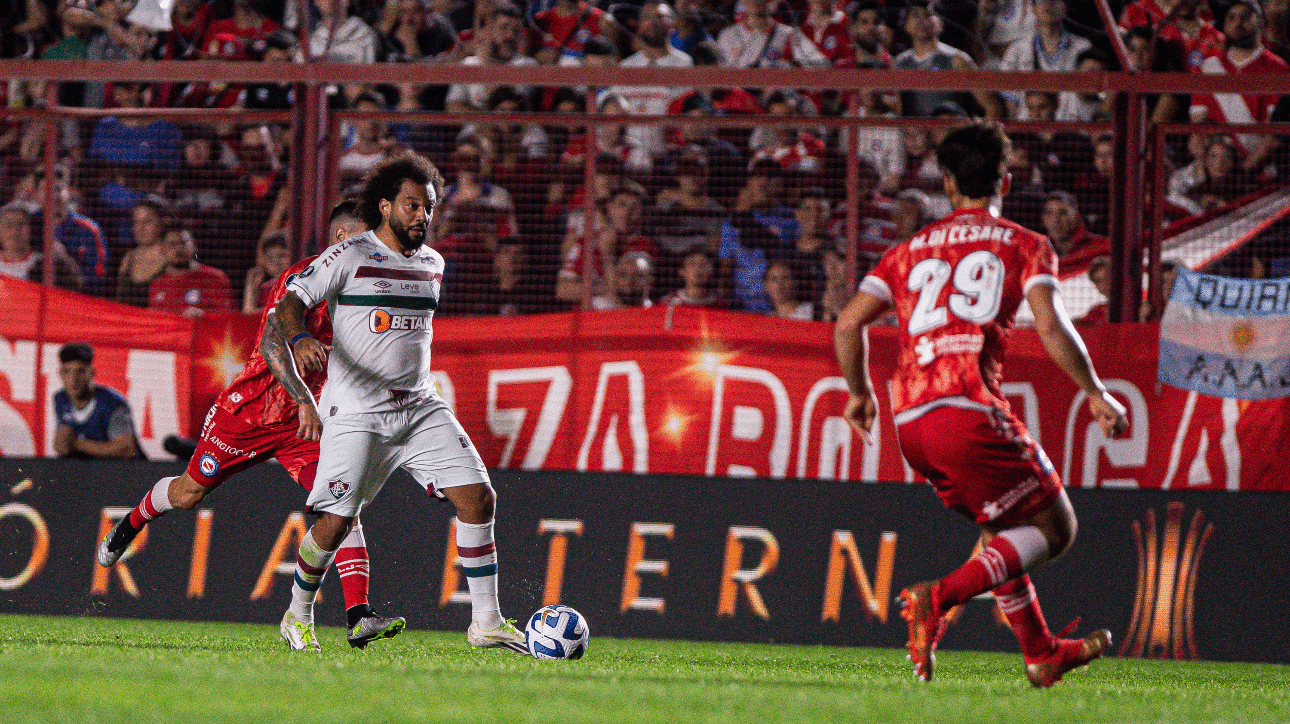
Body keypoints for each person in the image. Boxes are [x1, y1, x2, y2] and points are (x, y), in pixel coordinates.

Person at [832, 121, 1127, 688]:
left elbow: (847, 325)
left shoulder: (904, 251)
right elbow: (1051, 325)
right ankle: (937, 597)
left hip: (911, 423)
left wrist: (859, 394)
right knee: (1056, 529)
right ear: (1006, 182)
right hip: (966, 408)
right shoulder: (1024, 243)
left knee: (1004, 531)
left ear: (946, 183)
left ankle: (1041, 654)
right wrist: (1094, 391)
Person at [97, 201, 409, 651]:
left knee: (341, 505)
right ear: (342, 240)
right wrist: (303, 397)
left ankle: (356, 615)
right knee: (188, 493)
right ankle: (131, 523)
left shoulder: (369, 288)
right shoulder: (304, 280)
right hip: (251, 413)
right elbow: (271, 345)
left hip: (303, 427)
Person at [271, 154, 528, 654]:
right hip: (357, 412)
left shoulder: (433, 263)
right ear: (385, 206)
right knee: (335, 523)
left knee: (479, 498)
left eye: (428, 207)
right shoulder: (349, 255)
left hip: (418, 407)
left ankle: (486, 621)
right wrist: (300, 338)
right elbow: (289, 303)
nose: (421, 216)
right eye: (412, 205)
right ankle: (297, 613)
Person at [52, 342, 144, 460]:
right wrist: (61, 444)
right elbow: (62, 444)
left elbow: (126, 449)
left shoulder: (112, 403)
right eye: (67, 371)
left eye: (80, 371)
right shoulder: (61, 399)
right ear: (60, 374)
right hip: (87, 468)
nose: (73, 379)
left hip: (122, 469)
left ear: (92, 372)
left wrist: (76, 444)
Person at [148, 228, 233, 317]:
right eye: (172, 244)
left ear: (193, 246)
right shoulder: (157, 284)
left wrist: (204, 316)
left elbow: (228, 316)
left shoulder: (214, 278)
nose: (179, 248)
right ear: (163, 249)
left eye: (184, 243)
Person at [0, 204, 82, 288]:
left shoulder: (45, 264)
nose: (14, 231)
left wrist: (62, 256)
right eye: (8, 225)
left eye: (21, 224)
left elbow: (75, 284)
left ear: (31, 229)